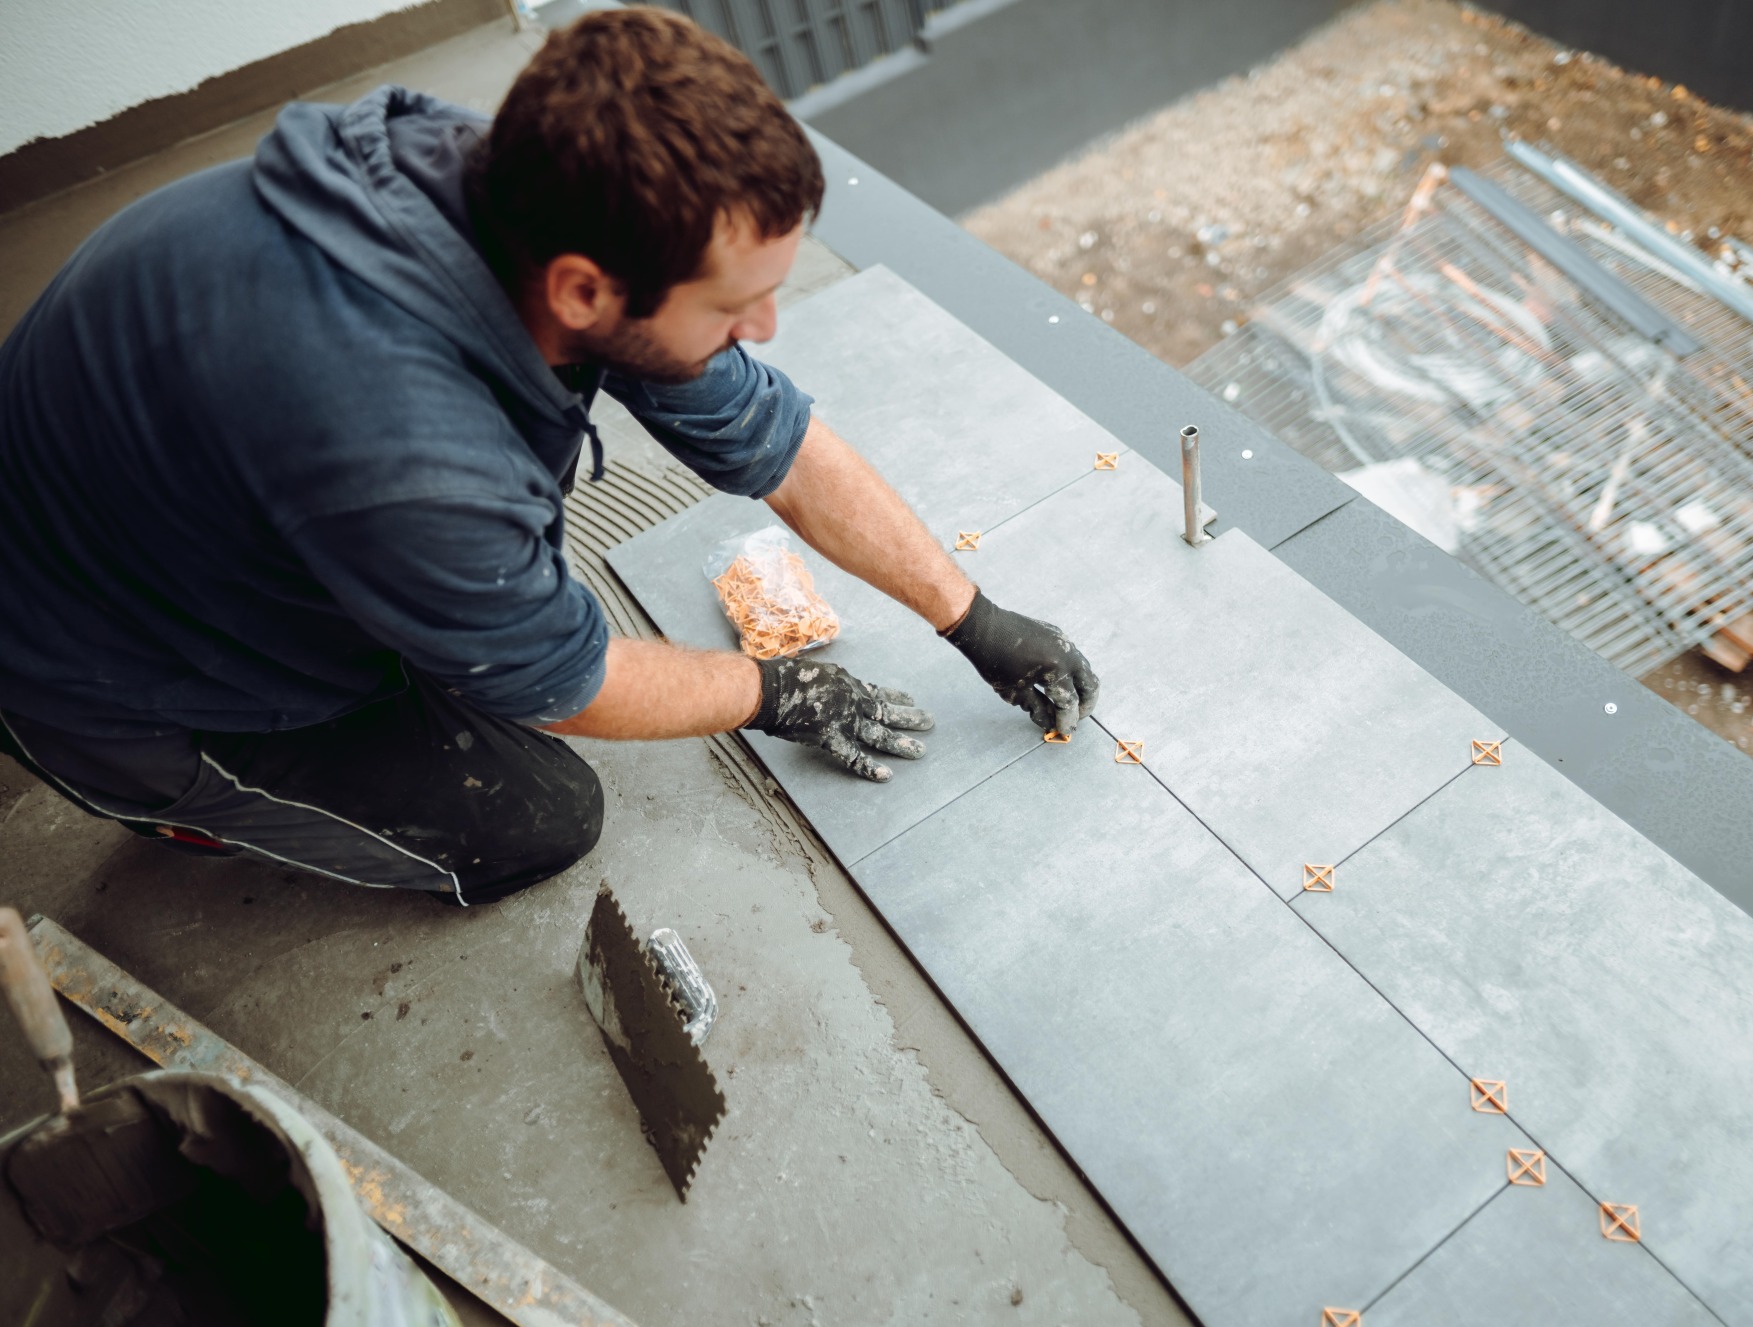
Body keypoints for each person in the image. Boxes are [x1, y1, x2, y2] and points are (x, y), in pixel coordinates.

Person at [0, 9, 1097, 906]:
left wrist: (972, 618)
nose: (763, 327)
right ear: (582, 290)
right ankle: (174, 801)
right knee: (535, 821)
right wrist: (777, 691)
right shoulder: (405, 455)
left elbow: (772, 439)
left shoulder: (516, 188)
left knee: (477, 591)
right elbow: (564, 680)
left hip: (211, 503)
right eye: (736, 305)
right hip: (123, 678)